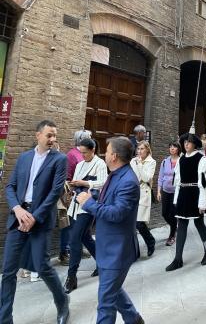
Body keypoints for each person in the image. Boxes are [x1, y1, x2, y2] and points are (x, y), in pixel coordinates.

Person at [0, 120, 69, 324]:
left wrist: (34, 217)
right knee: (8, 271)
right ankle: (5, 319)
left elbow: (55, 192)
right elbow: (10, 187)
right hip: (18, 218)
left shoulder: (59, 159)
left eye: (55, 135)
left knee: (43, 266)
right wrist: (18, 209)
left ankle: (62, 303)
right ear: (37, 135)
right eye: (49, 135)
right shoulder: (24, 158)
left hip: (40, 219)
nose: (53, 139)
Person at [77, 137, 144, 324]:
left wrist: (88, 204)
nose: (104, 154)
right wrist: (94, 195)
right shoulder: (116, 173)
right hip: (107, 247)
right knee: (112, 290)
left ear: (114, 156)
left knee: (105, 302)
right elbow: (111, 199)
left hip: (118, 250)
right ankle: (134, 319)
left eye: (106, 151)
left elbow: (117, 213)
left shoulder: (128, 181)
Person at [63, 138, 108, 293]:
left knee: (74, 238)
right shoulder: (80, 164)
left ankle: (71, 277)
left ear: (93, 150)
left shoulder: (100, 163)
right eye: (80, 152)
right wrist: (72, 186)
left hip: (89, 206)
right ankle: (103, 264)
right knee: (85, 237)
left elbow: (103, 183)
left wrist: (85, 183)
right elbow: (77, 182)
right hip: (76, 204)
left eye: (85, 152)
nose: (82, 155)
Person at [166, 133, 206, 271]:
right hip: (183, 195)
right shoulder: (181, 160)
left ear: (195, 144)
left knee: (199, 223)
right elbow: (178, 181)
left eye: (190, 142)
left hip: (196, 195)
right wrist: (176, 199)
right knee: (181, 225)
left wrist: (203, 203)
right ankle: (178, 259)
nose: (186, 144)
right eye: (185, 142)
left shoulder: (201, 159)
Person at [59, 129, 92, 265]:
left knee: (80, 222)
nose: (92, 139)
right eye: (89, 137)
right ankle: (64, 252)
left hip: (84, 194)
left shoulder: (84, 154)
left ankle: (77, 247)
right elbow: (67, 176)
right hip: (72, 193)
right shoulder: (72, 155)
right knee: (67, 223)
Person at [130, 141, 156, 257]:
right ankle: (135, 251)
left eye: (142, 149)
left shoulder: (152, 162)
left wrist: (140, 164)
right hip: (132, 192)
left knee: (139, 222)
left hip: (143, 192)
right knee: (132, 223)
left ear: (147, 150)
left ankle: (150, 242)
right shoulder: (133, 161)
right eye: (138, 149)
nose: (139, 151)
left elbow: (146, 178)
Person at [157, 141, 180, 246]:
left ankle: (172, 235)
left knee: (173, 213)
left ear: (178, 149)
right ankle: (175, 227)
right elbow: (160, 177)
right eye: (170, 147)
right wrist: (158, 191)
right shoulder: (164, 162)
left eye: (174, 147)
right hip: (165, 191)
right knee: (164, 213)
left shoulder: (181, 161)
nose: (172, 149)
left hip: (176, 192)